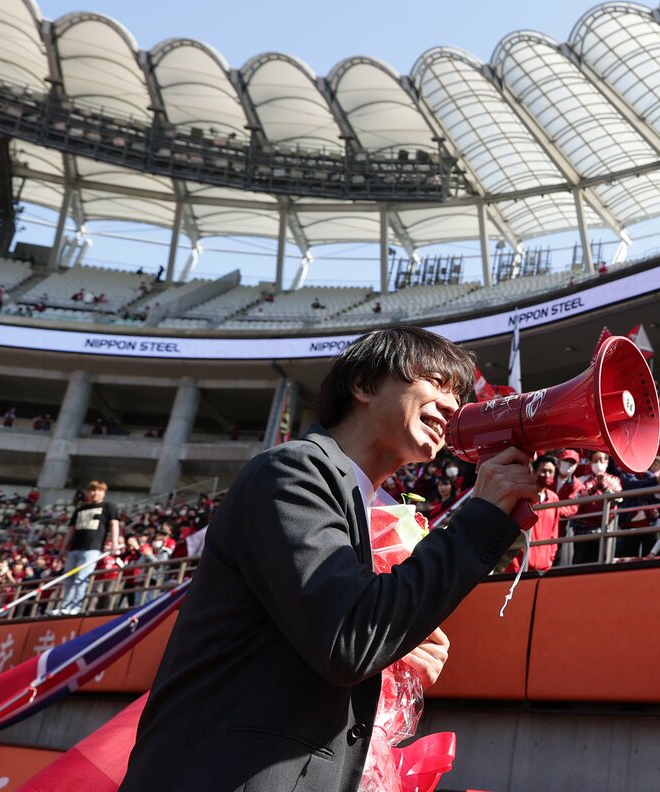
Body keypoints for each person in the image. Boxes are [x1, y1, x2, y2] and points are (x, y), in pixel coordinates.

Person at [122, 326, 536, 792]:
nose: (452, 406)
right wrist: (479, 518)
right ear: (362, 385)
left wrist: (397, 645)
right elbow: (350, 639)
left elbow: (343, 637)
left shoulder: (373, 506)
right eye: (436, 383)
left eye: (458, 395)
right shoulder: (292, 470)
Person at [58, 480, 120, 616]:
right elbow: (71, 530)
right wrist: (63, 548)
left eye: (98, 490)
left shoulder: (109, 507)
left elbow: (114, 524)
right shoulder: (80, 509)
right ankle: (65, 606)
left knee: (82, 578)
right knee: (69, 579)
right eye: (92, 490)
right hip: (74, 548)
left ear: (104, 493)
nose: (95, 493)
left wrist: (115, 542)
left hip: (92, 548)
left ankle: (75, 607)